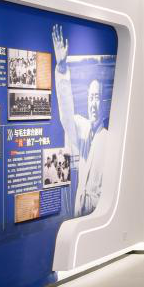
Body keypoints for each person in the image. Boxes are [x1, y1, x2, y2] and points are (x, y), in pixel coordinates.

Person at [52, 24, 109, 218]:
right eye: (90, 98)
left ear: (103, 103)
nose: (93, 104)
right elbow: (66, 114)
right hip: (79, 211)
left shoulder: (110, 140)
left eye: (97, 98)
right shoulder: (83, 129)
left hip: (98, 214)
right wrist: (62, 70)